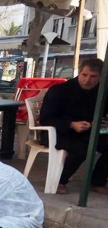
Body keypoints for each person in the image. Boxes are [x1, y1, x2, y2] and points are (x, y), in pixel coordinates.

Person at [39, 58, 108, 195]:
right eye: (84, 75)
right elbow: (46, 118)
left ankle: (97, 181)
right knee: (82, 149)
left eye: (93, 76)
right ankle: (60, 181)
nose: (87, 80)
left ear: (101, 77)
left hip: (88, 132)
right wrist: (71, 124)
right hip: (58, 132)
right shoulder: (60, 90)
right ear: (79, 73)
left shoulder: (102, 92)